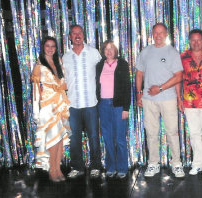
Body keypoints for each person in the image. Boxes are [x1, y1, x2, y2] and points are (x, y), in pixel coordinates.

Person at [136, 23, 185, 178]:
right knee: (151, 133)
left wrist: (163, 90)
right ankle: (153, 163)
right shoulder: (145, 51)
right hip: (148, 99)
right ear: (152, 34)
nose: (158, 35)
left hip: (168, 98)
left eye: (161, 32)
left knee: (172, 132)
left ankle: (176, 164)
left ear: (166, 34)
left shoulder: (172, 52)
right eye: (155, 32)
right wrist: (138, 94)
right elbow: (139, 74)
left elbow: (178, 77)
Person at [63, 24, 102, 178]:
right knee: (74, 138)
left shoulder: (94, 53)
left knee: (93, 136)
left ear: (84, 35)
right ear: (70, 37)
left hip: (91, 104)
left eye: (79, 33)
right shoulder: (65, 57)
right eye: (74, 33)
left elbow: (103, 74)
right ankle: (77, 167)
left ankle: (96, 166)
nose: (77, 36)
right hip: (72, 105)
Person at [32, 36, 71, 182]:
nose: (50, 48)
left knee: (59, 138)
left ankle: (58, 168)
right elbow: (36, 90)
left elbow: (63, 82)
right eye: (47, 45)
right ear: (43, 47)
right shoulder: (39, 66)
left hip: (60, 104)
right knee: (53, 139)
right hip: (48, 106)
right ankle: (52, 170)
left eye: (53, 46)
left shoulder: (58, 62)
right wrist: (36, 110)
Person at [179, 29, 202, 179]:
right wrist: (178, 99)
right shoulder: (183, 57)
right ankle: (197, 163)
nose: (196, 42)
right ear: (189, 41)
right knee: (194, 134)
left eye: (198, 40)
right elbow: (178, 79)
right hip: (189, 101)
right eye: (193, 40)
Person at [96, 40, 131, 179]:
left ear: (115, 50)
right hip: (103, 105)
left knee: (120, 138)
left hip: (118, 105)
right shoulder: (99, 65)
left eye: (111, 48)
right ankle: (111, 166)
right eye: (106, 48)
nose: (109, 51)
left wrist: (126, 108)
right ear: (103, 51)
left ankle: (122, 167)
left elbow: (127, 87)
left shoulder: (122, 64)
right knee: (107, 137)